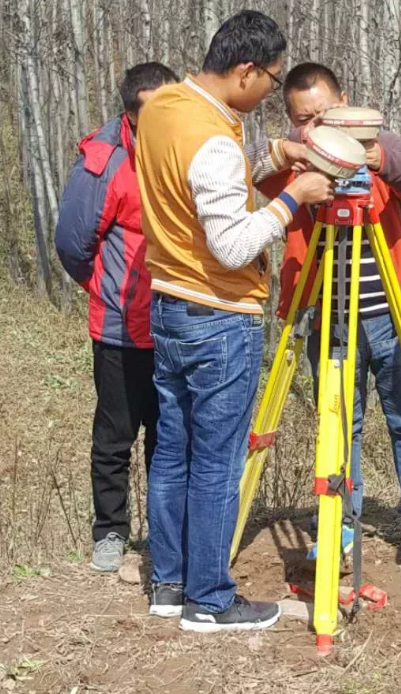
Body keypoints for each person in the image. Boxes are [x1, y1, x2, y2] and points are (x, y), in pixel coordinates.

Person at [135, 12, 334, 632]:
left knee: (173, 452)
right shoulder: (215, 139)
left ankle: (169, 584)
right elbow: (231, 242)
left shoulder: (166, 105)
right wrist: (294, 196)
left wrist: (275, 153)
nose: (270, 92)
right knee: (217, 461)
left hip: (169, 304)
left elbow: (200, 181)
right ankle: (210, 600)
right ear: (245, 70)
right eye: (271, 81)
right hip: (220, 315)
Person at [258, 63, 401, 567]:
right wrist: (289, 156)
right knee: (341, 424)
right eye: (304, 118)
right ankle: (340, 522)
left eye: (324, 112)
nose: (317, 124)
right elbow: (249, 172)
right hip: (327, 317)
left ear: (344, 99)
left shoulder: (379, 142)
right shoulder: (295, 159)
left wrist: (376, 155)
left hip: (393, 312)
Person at [55, 62, 180, 573]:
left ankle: (165, 534)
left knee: (169, 436)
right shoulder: (103, 162)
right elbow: (72, 244)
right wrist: (106, 290)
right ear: (130, 114)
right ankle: (110, 531)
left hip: (178, 321)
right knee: (115, 435)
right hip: (120, 327)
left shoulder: (184, 144)